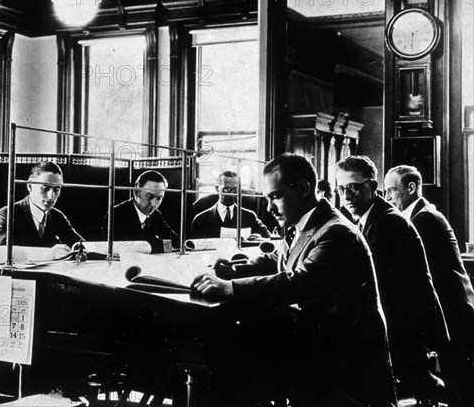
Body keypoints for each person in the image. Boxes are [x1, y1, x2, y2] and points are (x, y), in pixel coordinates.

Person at [192, 154, 395, 407]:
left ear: (302, 189)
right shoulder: (306, 224)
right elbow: (276, 260)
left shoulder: (336, 232)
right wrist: (231, 269)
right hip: (320, 343)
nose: (269, 208)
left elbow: (300, 282)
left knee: (233, 358)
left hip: (345, 359)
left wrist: (229, 288)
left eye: (275, 196)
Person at [336, 155, 447, 403]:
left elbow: (370, 280)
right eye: (341, 188)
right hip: (402, 318)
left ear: (373, 187)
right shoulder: (373, 218)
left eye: (353, 187)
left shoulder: (386, 222)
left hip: (407, 325)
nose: (346, 195)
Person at [385, 165, 474, 407]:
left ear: (411, 188)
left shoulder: (424, 220)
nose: (388, 197)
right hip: (452, 311)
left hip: (452, 313)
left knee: (459, 384)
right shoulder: (422, 215)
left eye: (391, 190)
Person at [0, 161, 84, 257]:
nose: (51, 196)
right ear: (30, 186)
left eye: (56, 189)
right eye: (45, 188)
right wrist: (49, 254)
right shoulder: (6, 215)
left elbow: (80, 244)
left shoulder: (57, 216)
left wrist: (79, 248)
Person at [101, 170, 178, 254]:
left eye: (159, 198)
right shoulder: (116, 214)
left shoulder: (156, 215)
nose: (153, 204)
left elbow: (176, 242)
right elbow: (124, 249)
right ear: (136, 192)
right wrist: (159, 244)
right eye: (150, 197)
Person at [190, 171, 270, 239]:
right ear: (217, 188)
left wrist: (259, 238)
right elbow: (193, 247)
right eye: (226, 189)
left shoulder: (250, 216)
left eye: (234, 190)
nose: (230, 194)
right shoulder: (200, 219)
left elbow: (266, 237)